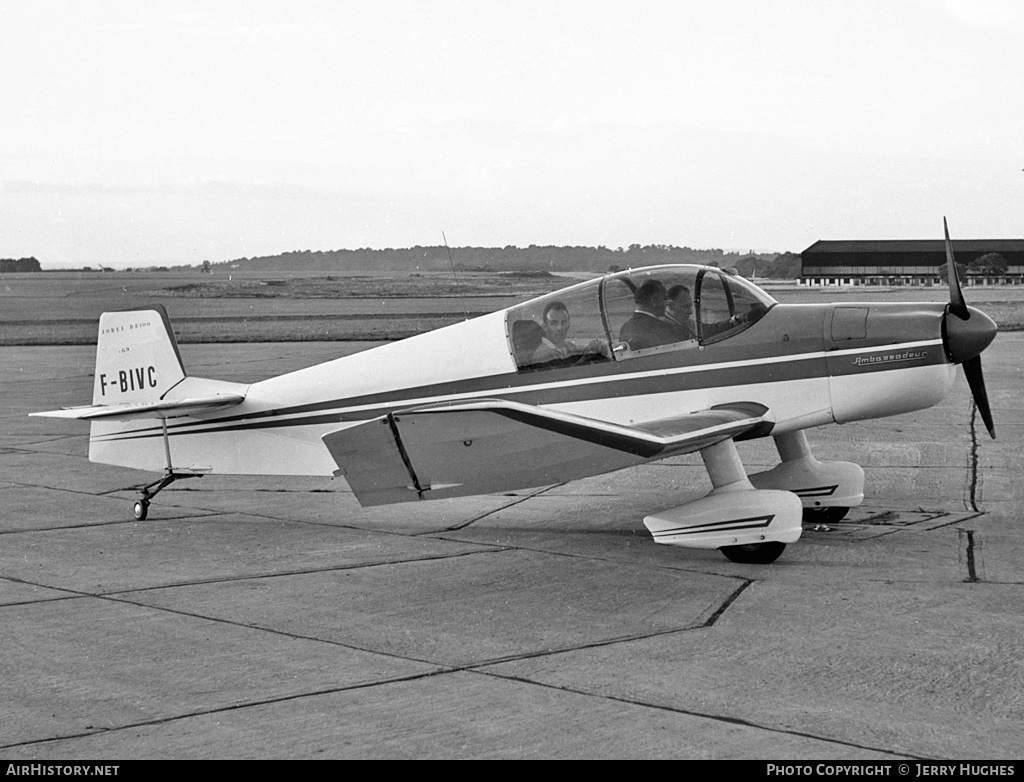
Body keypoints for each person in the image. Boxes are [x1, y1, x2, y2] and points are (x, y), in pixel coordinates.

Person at [530, 301, 606, 364]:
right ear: (545, 327)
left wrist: (595, 349)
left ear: (568, 325)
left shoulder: (569, 346)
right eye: (554, 323)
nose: (560, 328)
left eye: (563, 322)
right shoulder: (542, 354)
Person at [618, 280, 681, 350]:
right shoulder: (663, 328)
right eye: (665, 299)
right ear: (654, 301)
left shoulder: (625, 328)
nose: (667, 304)